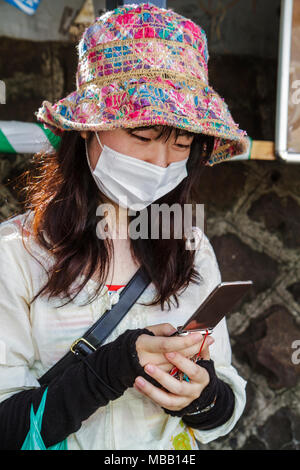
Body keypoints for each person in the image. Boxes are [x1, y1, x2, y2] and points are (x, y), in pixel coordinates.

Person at [0, 2, 248, 450]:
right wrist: (115, 366)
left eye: (182, 143)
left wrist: (199, 395)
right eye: (142, 135)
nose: (160, 162)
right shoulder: (18, 254)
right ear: (87, 128)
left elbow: (224, 408)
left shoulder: (189, 243)